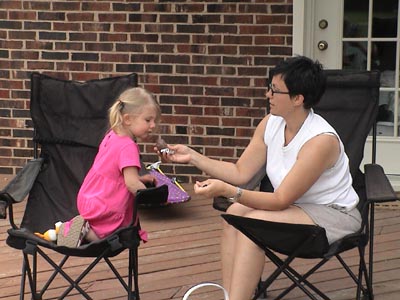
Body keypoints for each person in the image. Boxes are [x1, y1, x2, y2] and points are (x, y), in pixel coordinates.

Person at [158, 56, 362, 300]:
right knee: (234, 214)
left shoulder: (320, 141)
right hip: (297, 207)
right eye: (269, 88)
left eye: (275, 91)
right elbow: (240, 173)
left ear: (298, 99)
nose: (268, 95)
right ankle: (231, 295)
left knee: (252, 224)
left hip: (333, 214)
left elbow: (279, 200)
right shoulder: (271, 124)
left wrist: (228, 190)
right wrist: (192, 157)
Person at [56, 87, 161, 247]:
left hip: (90, 197)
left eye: (154, 120)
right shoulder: (128, 146)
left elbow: (116, 173)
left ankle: (79, 228)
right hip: (105, 207)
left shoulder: (112, 135)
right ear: (127, 119)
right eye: (148, 120)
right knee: (111, 240)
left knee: (110, 235)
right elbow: (131, 184)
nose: (153, 125)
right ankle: (82, 230)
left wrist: (140, 178)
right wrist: (152, 195)